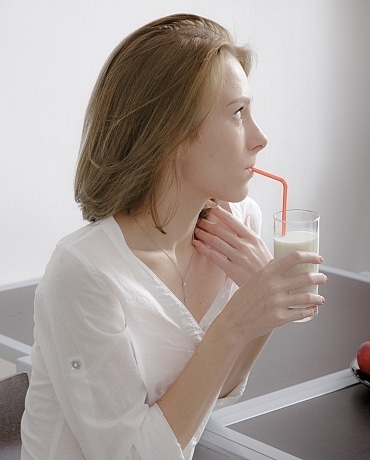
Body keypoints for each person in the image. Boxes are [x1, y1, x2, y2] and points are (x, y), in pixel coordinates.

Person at [21, 13, 327, 460]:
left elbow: (217, 392)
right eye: (238, 113)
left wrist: (264, 307)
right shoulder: (84, 273)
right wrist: (241, 315)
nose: (260, 138)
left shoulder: (238, 224)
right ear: (172, 134)